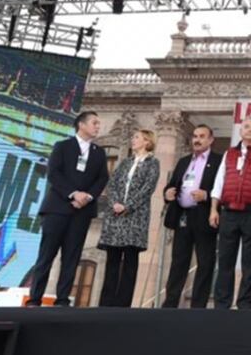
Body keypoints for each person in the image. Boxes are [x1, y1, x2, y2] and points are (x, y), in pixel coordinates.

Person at [27, 111, 109, 306]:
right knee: (46, 255)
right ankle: (35, 298)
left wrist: (87, 197)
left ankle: (62, 299)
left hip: (82, 211)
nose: (98, 126)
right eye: (94, 123)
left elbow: (102, 178)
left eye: (99, 124)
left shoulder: (99, 152)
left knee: (72, 256)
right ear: (81, 125)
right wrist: (73, 193)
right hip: (57, 208)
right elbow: (53, 173)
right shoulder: (62, 146)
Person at [210, 115, 251, 309]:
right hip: (228, 211)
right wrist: (213, 209)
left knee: (250, 261)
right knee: (225, 260)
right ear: (240, 131)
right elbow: (219, 182)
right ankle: (222, 303)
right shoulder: (229, 154)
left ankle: (246, 304)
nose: (249, 130)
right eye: (246, 126)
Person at [97, 129, 160, 307]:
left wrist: (128, 205)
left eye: (137, 137)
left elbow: (148, 188)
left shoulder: (153, 163)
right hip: (115, 216)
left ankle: (123, 304)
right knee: (112, 260)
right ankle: (105, 303)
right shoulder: (125, 162)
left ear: (147, 141)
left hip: (135, 217)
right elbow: (113, 183)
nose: (133, 140)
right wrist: (115, 203)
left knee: (130, 261)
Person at [162, 124, 222, 308]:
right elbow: (172, 184)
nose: (197, 139)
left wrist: (206, 195)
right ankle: (171, 302)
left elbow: (223, 188)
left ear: (211, 140)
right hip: (183, 215)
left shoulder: (219, 161)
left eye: (202, 136)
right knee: (179, 260)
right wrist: (167, 193)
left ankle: (198, 305)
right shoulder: (184, 161)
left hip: (204, 214)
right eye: (195, 136)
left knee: (205, 261)